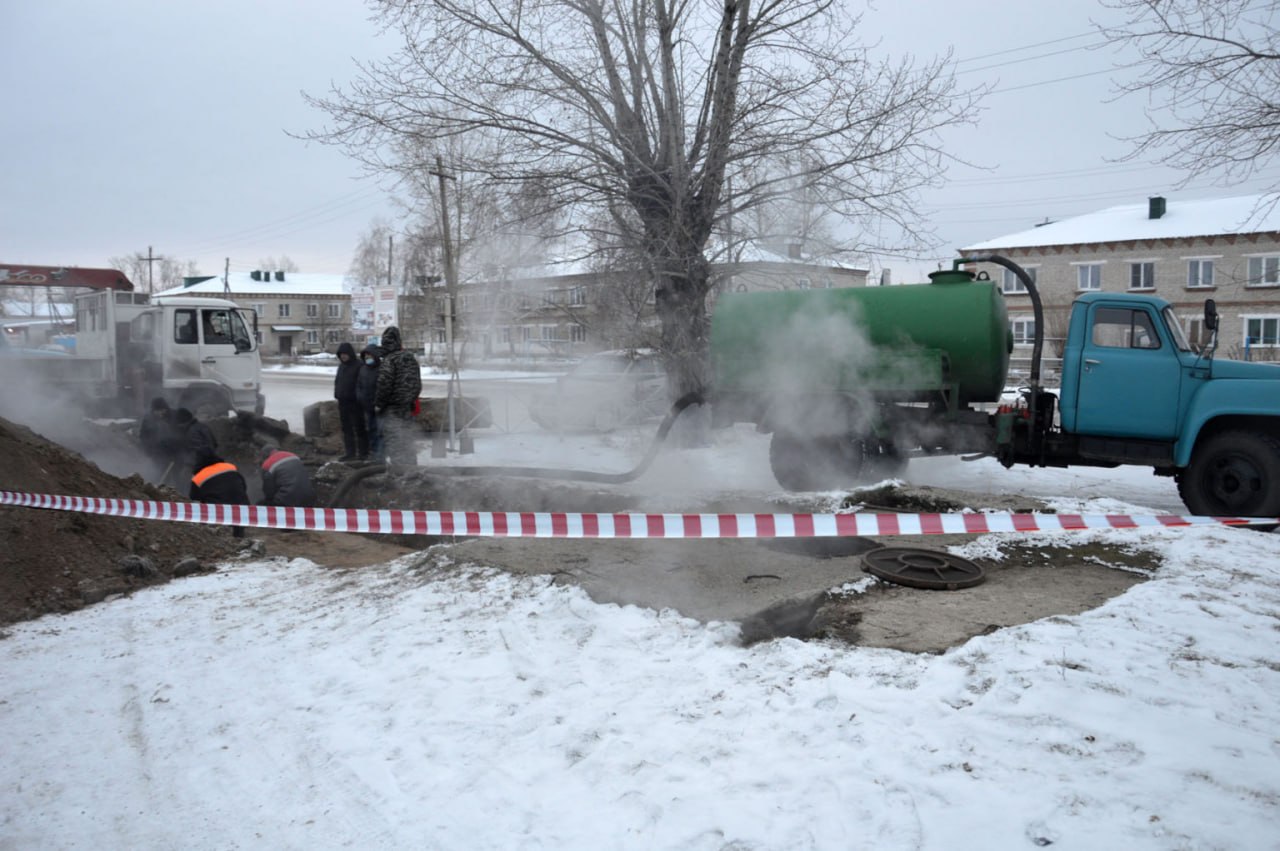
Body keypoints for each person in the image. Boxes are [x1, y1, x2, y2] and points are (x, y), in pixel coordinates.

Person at [373, 326, 422, 466]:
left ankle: (399, 473)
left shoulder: (389, 360)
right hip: (407, 407)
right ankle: (412, 469)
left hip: (392, 408)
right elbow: (417, 383)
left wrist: (379, 404)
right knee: (407, 438)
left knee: (395, 440)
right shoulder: (410, 358)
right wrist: (411, 399)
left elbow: (384, 385)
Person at [189, 450, 250, 538]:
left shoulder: (198, 477)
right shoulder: (230, 466)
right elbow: (243, 486)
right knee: (238, 535)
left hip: (218, 514)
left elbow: (194, 498)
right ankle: (239, 537)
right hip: (242, 509)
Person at [333, 341, 368, 461]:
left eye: (345, 354)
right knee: (346, 429)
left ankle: (363, 453)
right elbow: (338, 381)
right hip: (343, 402)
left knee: (359, 428)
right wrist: (337, 394)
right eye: (341, 354)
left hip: (355, 403)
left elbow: (362, 384)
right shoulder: (341, 366)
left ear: (350, 354)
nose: (343, 356)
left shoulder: (359, 365)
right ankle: (350, 453)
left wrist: (359, 397)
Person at [258, 444, 317, 508]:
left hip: (286, 500)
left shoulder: (267, 464)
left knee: (261, 505)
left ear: (264, 456)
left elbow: (269, 492)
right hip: (309, 497)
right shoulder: (293, 455)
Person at [139, 397, 181, 484]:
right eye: (156, 411)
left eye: (161, 410)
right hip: (158, 453)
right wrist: (148, 451)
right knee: (160, 475)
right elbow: (143, 437)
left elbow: (182, 434)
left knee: (177, 477)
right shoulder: (148, 419)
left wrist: (177, 450)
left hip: (174, 453)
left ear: (165, 409)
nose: (158, 413)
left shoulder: (175, 416)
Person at [173, 407, 217, 485]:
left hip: (199, 464)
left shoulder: (192, 432)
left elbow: (197, 450)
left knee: (185, 481)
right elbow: (215, 443)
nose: (179, 427)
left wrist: (189, 465)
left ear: (183, 421)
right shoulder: (202, 426)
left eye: (179, 424)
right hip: (212, 461)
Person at [356, 344, 384, 461]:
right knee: (371, 431)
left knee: (379, 432)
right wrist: (360, 397)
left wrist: (379, 403)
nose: (368, 358)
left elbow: (383, 388)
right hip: (367, 406)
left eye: (370, 356)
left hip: (378, 407)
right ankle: (374, 453)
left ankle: (380, 456)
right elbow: (359, 385)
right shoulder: (363, 369)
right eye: (366, 356)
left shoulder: (381, 369)